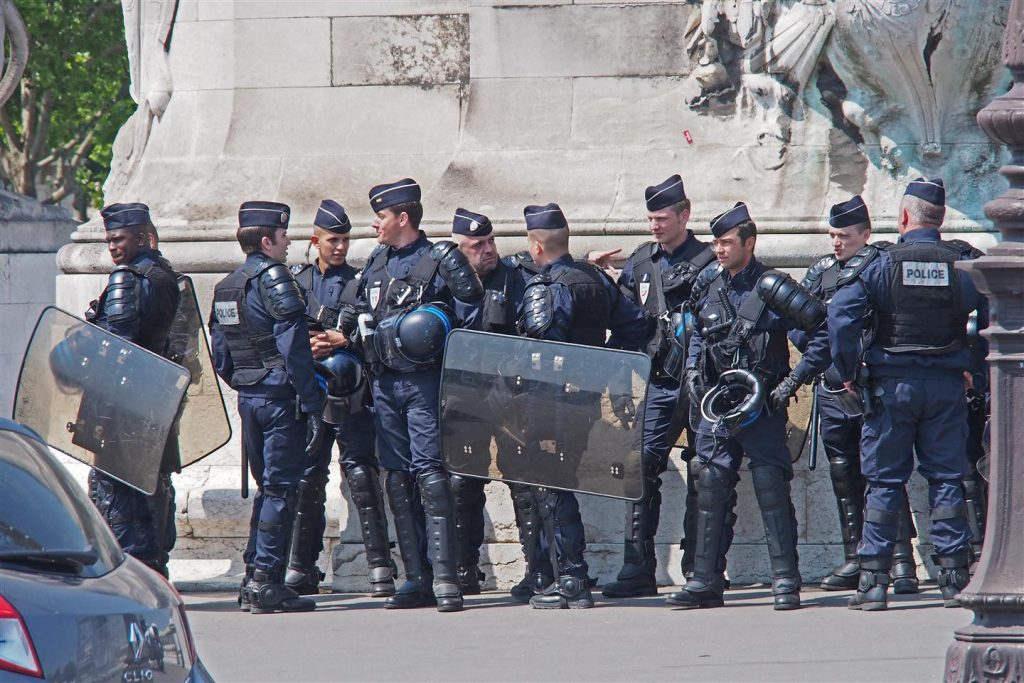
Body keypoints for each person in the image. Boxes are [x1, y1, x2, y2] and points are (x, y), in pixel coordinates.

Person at [829, 178, 986, 610]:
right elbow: (995, 309)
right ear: (941, 219)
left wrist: (847, 370)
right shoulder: (961, 264)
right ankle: (955, 579)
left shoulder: (881, 263)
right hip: (946, 387)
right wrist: (976, 368)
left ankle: (874, 583)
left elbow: (841, 315)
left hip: (890, 389)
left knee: (883, 481)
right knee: (947, 479)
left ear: (903, 217)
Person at [669, 202, 830, 611]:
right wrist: (691, 371)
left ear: (749, 243)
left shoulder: (773, 287)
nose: (718, 249)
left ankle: (785, 581)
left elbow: (822, 336)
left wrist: (792, 383)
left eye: (726, 242)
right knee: (708, 486)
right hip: (717, 407)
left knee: (771, 490)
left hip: (762, 408)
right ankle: (705, 580)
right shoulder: (708, 285)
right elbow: (699, 337)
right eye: (716, 243)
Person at [340, 178, 483, 612]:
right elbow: (355, 310)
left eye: (380, 216)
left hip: (425, 382)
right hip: (383, 382)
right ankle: (416, 577)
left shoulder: (442, 259)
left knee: (430, 472)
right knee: (397, 476)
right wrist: (342, 332)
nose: (374, 224)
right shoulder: (376, 260)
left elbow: (473, 314)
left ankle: (445, 578)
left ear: (402, 218)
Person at [516, 202, 650, 609]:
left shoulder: (548, 286)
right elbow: (636, 326)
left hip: (553, 401)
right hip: (588, 398)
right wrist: (601, 361)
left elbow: (543, 349)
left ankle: (572, 579)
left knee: (552, 488)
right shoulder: (594, 279)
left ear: (536, 246)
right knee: (561, 482)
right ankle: (570, 575)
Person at [795, 196, 920, 594]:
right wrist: (827, 348)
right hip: (834, 387)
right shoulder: (820, 273)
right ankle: (856, 557)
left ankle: (900, 562)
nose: (837, 242)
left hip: (874, 386)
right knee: (844, 473)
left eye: (844, 235)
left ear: (865, 235)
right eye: (832, 235)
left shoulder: (881, 267)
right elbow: (796, 324)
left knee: (883, 473)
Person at [601, 175, 718, 598]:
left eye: (662, 218)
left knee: (705, 471)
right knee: (640, 469)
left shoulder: (709, 259)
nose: (654, 226)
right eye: (650, 218)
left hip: (702, 383)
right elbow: (624, 316)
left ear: (684, 215)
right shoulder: (641, 261)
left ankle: (700, 568)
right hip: (657, 383)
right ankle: (638, 568)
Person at [209, 201, 321, 615]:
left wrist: (245, 383)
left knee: (267, 489)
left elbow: (220, 353)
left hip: (250, 398)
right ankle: (266, 582)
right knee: (280, 488)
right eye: (283, 234)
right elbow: (295, 348)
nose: (289, 241)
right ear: (266, 240)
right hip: (278, 399)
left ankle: (254, 575)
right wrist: (310, 399)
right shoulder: (275, 279)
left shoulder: (227, 286)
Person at [284, 199, 395, 598]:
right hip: (311, 392)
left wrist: (343, 338)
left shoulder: (362, 280)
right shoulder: (295, 281)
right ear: (315, 240)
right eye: (333, 240)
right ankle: (301, 564)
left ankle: (380, 565)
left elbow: (372, 330)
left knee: (362, 474)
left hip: (352, 391)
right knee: (307, 476)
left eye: (346, 240)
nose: (340, 247)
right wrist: (307, 346)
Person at [445, 207, 549, 599]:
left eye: (490, 242)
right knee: (462, 483)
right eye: (477, 245)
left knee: (522, 482)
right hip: (464, 398)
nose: (488, 250)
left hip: (511, 398)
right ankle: (463, 569)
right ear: (460, 250)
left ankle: (537, 569)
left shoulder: (517, 278)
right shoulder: (445, 283)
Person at [86, 202, 181, 578]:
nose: (112, 247)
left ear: (142, 237)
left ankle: (132, 576)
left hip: (123, 407)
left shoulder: (127, 278)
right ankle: (154, 570)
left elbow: (118, 349)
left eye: (118, 238)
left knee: (118, 497)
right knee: (153, 490)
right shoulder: (164, 274)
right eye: (109, 240)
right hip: (154, 403)